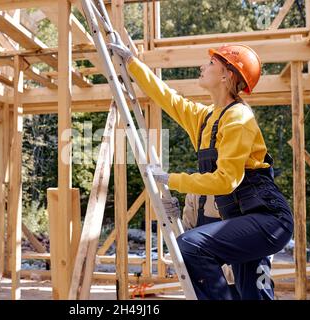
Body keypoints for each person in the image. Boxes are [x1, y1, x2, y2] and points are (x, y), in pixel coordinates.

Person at [108, 40, 294, 300]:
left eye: (210, 63)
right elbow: (166, 97)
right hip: (240, 220)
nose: (201, 66)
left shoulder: (239, 118)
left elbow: (226, 181)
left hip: (269, 221)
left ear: (226, 75)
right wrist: (131, 63)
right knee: (251, 295)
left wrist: (172, 179)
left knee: (190, 247)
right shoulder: (206, 117)